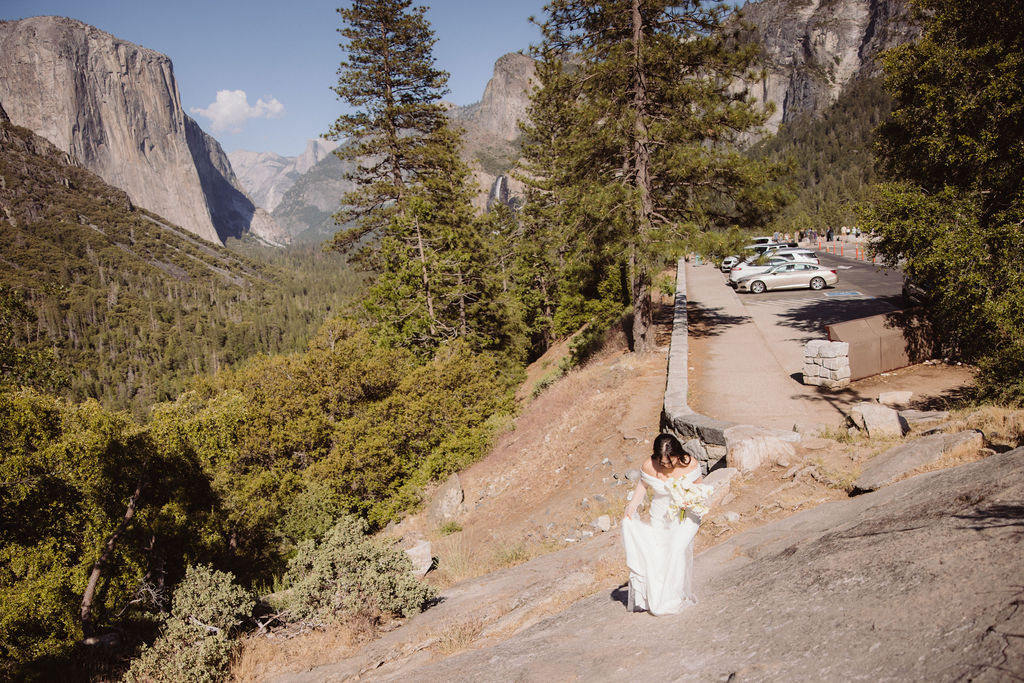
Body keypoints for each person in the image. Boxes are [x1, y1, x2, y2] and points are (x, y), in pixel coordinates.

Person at [621, 433, 704, 615]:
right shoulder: (648, 466)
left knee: (675, 550)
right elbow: (643, 486)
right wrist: (632, 507)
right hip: (660, 516)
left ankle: (674, 596)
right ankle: (661, 595)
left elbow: (700, 488)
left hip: (687, 515)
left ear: (678, 453)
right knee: (660, 553)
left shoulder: (691, 464)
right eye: (662, 462)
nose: (666, 466)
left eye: (670, 462)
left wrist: (690, 501)